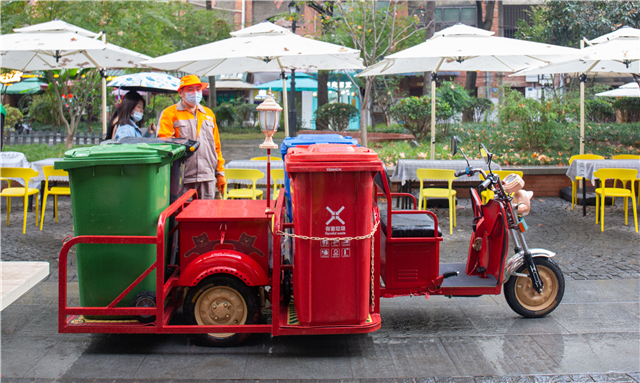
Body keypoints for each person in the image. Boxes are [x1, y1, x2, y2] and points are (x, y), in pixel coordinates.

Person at [157, 75, 225, 199]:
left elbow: (216, 146)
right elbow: (164, 146)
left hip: (207, 176)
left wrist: (220, 173)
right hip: (182, 178)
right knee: (183, 216)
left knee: (207, 215)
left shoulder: (208, 114)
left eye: (198, 89)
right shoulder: (170, 114)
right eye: (190, 89)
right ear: (181, 93)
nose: (195, 93)